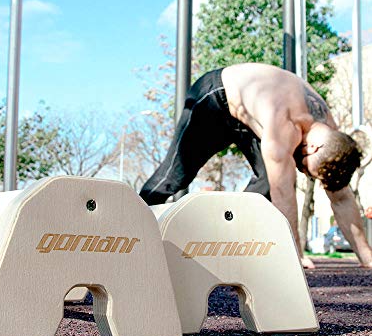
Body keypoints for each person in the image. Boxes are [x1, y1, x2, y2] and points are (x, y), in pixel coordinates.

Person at [140, 62, 372, 269]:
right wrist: (294, 254)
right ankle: (128, 226)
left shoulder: (330, 138)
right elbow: (284, 192)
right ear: (312, 149)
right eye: (306, 168)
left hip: (250, 117)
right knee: (175, 175)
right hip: (216, 97)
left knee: (265, 184)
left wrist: (366, 255)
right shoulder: (285, 125)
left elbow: (341, 196)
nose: (303, 171)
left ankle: (227, 246)